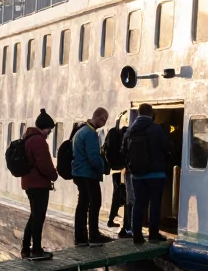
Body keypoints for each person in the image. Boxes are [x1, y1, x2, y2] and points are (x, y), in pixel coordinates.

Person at [123, 103, 174, 244]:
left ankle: (137, 236)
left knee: (139, 203)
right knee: (155, 204)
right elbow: (166, 147)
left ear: (138, 113)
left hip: (137, 175)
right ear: (151, 113)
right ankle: (153, 235)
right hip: (156, 174)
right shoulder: (156, 129)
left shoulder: (131, 130)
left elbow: (124, 149)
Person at [21, 108, 58, 261]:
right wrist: (54, 175)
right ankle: (36, 249)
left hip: (30, 183)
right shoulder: (38, 141)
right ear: (45, 127)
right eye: (49, 129)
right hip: (38, 184)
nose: (50, 132)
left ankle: (25, 248)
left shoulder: (28, 138)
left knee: (34, 216)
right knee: (38, 217)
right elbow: (44, 164)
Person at [71, 107, 111, 246]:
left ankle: (80, 237)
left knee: (82, 203)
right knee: (95, 203)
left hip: (79, 173)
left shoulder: (80, 131)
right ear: (98, 117)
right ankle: (94, 236)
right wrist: (104, 168)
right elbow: (93, 157)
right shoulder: (90, 133)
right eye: (104, 120)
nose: (104, 123)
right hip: (88, 174)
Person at [103, 113, 128, 230]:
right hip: (122, 169)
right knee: (122, 194)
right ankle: (118, 220)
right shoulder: (125, 134)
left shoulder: (112, 133)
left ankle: (111, 218)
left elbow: (105, 148)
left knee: (116, 193)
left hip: (114, 168)